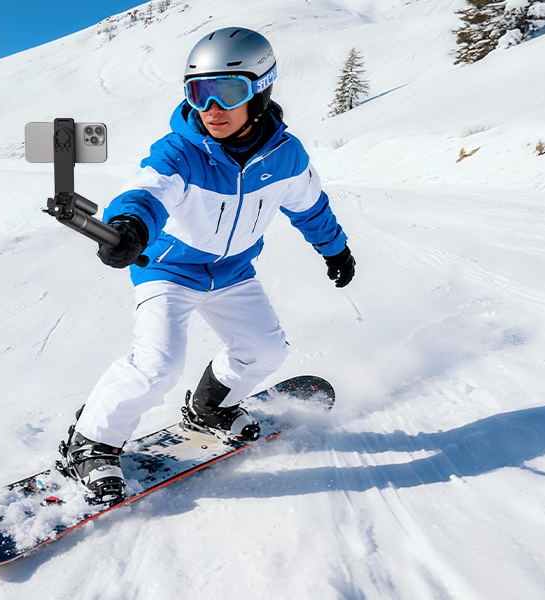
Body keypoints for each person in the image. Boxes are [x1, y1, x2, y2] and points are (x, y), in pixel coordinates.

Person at [57, 27, 356, 503]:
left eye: (227, 92)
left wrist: (334, 247)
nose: (211, 109)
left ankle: (210, 408)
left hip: (234, 271)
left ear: (261, 89)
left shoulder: (286, 156)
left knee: (265, 352)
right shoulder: (181, 152)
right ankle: (91, 444)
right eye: (199, 93)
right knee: (157, 364)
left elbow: (309, 206)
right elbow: (147, 192)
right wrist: (130, 224)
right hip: (169, 269)